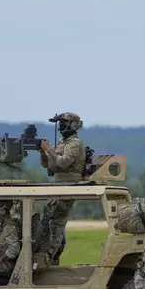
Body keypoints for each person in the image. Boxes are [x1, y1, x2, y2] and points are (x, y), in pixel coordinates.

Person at [39, 112, 86, 266]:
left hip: (68, 185)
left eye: (64, 123)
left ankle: (48, 259)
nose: (61, 126)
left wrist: (48, 150)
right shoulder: (62, 143)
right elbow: (49, 165)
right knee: (48, 221)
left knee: (56, 222)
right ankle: (51, 258)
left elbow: (63, 162)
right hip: (59, 185)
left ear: (73, 125)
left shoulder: (75, 143)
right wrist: (42, 152)